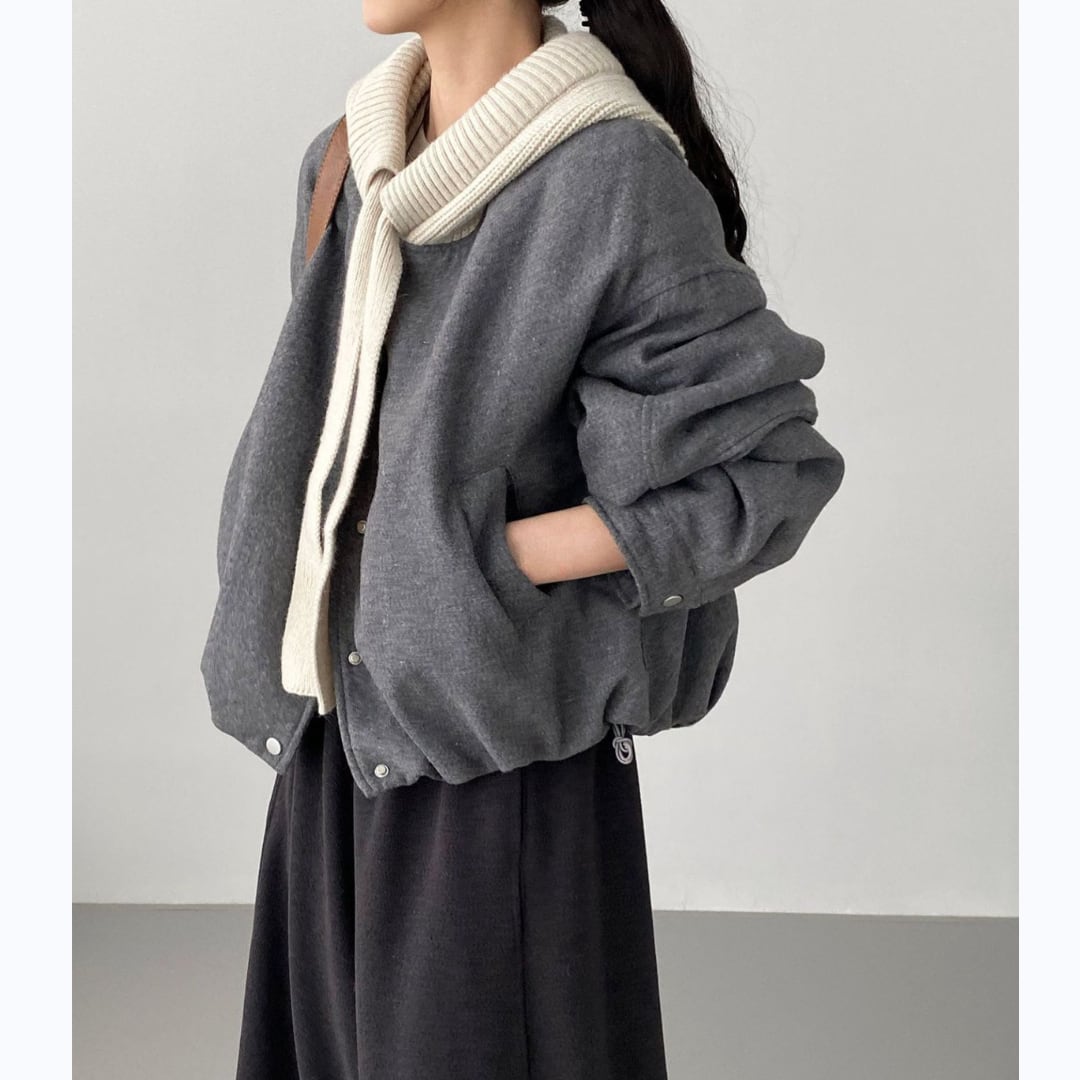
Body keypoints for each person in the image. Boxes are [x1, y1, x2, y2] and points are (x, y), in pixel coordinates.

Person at [199, 2, 845, 1077]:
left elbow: (766, 473)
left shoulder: (610, 178)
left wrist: (486, 566)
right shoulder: (347, 162)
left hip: (500, 770)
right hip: (334, 742)